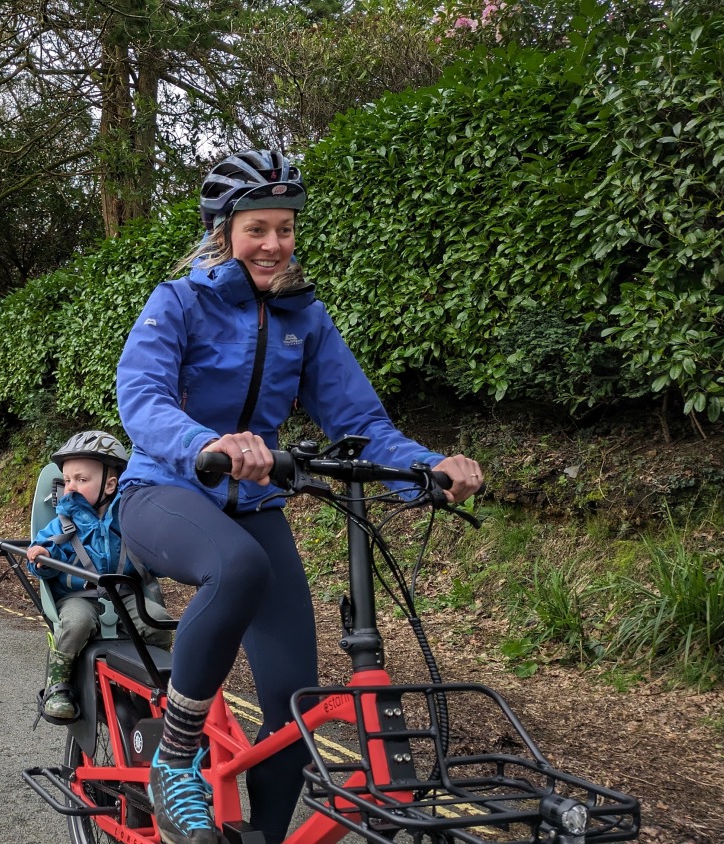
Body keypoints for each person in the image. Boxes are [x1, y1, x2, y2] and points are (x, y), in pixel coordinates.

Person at [115, 149, 483, 844]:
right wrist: (210, 445)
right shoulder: (179, 302)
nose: (275, 244)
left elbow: (361, 425)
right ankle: (174, 757)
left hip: (255, 507)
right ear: (224, 231)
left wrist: (431, 465)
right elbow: (142, 398)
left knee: (291, 715)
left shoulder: (303, 318)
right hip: (162, 492)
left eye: (285, 228)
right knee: (239, 568)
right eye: (258, 229)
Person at [27, 430, 175, 722]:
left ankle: (152, 680)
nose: (71, 487)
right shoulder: (64, 521)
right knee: (75, 623)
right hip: (80, 597)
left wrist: (168, 557)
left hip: (125, 595)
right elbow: (43, 549)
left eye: (82, 480)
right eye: (68, 480)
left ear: (110, 484)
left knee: (158, 621)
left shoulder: (129, 518)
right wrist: (41, 558)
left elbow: (149, 555)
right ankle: (58, 685)